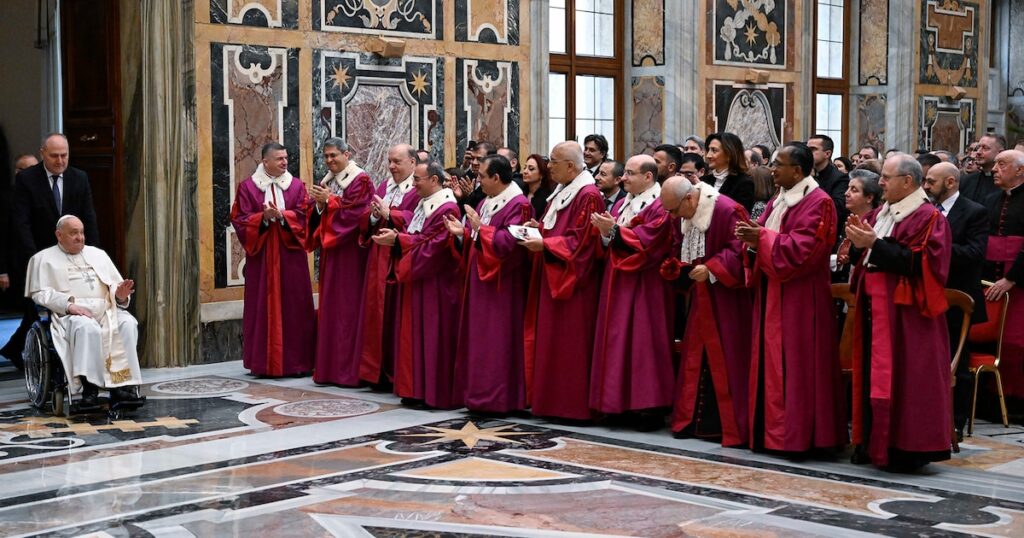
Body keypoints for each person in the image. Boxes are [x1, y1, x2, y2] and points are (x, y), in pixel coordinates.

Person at [735, 141, 845, 454]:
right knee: (771, 362)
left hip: (801, 298)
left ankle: (797, 437)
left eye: (777, 165)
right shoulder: (779, 200)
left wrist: (761, 238)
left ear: (796, 170)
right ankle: (771, 433)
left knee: (797, 366)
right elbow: (767, 236)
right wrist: (751, 241)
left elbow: (805, 251)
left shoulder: (819, 202)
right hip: (772, 291)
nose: (771, 170)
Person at [845, 153, 952, 469]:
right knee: (870, 376)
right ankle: (870, 443)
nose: (880, 183)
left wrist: (874, 245)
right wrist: (856, 244)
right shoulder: (881, 213)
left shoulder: (929, 218)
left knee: (906, 380)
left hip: (906, 316)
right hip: (874, 309)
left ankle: (904, 449)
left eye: (886, 178)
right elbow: (862, 256)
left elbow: (926, 265)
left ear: (907, 182)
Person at [661, 177, 752, 446]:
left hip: (727, 301)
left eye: (674, 210)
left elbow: (740, 251)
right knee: (696, 359)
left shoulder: (727, 210)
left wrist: (712, 268)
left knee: (725, 358)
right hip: (700, 301)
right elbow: (680, 246)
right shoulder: (682, 213)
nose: (672, 217)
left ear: (689, 199)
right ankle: (692, 421)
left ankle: (725, 425)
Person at [519, 140, 604, 421]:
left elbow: (582, 241)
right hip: (553, 272)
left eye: (553, 161)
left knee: (570, 344)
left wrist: (546, 244)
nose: (549, 166)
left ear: (570, 166)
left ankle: (570, 406)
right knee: (551, 342)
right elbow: (560, 228)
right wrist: (538, 229)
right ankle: (551, 402)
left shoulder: (588, 194)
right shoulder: (565, 189)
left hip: (573, 283)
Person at [588, 155, 675, 429]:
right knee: (617, 341)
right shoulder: (626, 202)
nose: (623, 178)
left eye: (629, 173)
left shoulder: (660, 206)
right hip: (618, 279)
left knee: (643, 344)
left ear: (648, 177)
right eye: (624, 173)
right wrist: (606, 232)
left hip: (645, 284)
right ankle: (617, 403)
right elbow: (611, 237)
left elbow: (650, 241)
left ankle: (647, 407)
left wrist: (613, 230)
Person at [3, 134, 101, 367]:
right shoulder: (27, 180)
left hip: (72, 258)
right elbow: (21, 224)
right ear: (42, 154)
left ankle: (17, 350)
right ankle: (32, 353)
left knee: (49, 310)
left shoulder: (79, 178)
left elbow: (89, 218)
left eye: (64, 155)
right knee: (38, 308)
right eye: (54, 156)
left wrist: (93, 255)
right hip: (36, 256)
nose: (60, 161)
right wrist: (35, 259)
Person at [25, 215, 143, 410]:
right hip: (70, 314)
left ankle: (122, 387)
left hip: (106, 309)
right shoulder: (43, 259)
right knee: (87, 327)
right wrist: (69, 306)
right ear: (59, 235)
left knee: (127, 323)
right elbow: (40, 294)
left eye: (81, 232)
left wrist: (120, 296)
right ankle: (90, 391)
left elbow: (113, 285)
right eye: (73, 233)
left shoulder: (98, 255)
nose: (80, 237)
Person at [371, 160, 462, 409]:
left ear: (434, 180)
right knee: (413, 336)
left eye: (418, 180)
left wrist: (398, 241)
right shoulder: (425, 204)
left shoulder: (447, 209)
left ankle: (432, 393)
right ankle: (414, 388)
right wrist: (398, 234)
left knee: (432, 338)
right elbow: (418, 230)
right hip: (419, 283)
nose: (413, 185)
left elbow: (435, 245)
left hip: (436, 286)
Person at [446, 155, 532, 413]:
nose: (478, 180)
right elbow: (477, 236)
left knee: (498, 341)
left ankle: (500, 398)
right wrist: (464, 234)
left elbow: (510, 244)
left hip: (502, 284)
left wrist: (479, 228)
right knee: (479, 339)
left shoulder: (519, 204)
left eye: (482, 176)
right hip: (479, 279)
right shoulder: (486, 201)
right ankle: (478, 395)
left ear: (497, 177)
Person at [231, 142, 314, 377]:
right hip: (263, 258)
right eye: (279, 159)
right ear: (265, 162)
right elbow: (240, 219)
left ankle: (298, 363)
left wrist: (284, 216)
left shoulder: (297, 186)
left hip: (291, 258)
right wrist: (263, 218)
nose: (285, 162)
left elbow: (305, 214)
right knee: (262, 306)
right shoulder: (248, 188)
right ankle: (263, 363)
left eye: (286, 158)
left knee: (295, 306)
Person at [924, 162, 989, 438]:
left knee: (956, 364)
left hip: (958, 298)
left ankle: (955, 422)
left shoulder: (974, 212)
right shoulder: (925, 211)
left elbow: (974, 253)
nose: (925, 186)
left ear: (950, 182)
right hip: (927, 295)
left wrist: (935, 248)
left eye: (931, 181)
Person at [306, 138, 374, 386]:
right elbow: (314, 212)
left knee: (347, 309)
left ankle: (348, 370)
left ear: (347, 154)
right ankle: (329, 368)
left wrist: (330, 202)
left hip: (351, 254)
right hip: (331, 253)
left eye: (334, 155)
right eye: (326, 156)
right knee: (331, 308)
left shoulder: (361, 180)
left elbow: (358, 215)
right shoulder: (328, 181)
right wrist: (320, 206)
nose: (329, 160)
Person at [357, 144, 421, 386]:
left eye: (397, 161)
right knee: (375, 314)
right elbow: (366, 217)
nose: (391, 166)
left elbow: (415, 218)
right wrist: (374, 215)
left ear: (413, 163)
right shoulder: (384, 186)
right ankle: (374, 371)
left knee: (394, 316)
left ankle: (394, 372)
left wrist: (389, 213)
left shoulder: (417, 189)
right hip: (378, 258)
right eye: (389, 161)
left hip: (399, 257)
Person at [982, 149, 1024, 400]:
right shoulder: (990, 200)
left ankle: (1017, 401)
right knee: (991, 337)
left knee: (1016, 342)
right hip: (990, 280)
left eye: (1002, 164)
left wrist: (1012, 278)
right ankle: (992, 401)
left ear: (1020, 170)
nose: (995, 169)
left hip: (1019, 281)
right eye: (995, 164)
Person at [807, 134, 850, 250]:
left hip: (826, 239)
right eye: (807, 149)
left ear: (827, 154)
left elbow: (837, 207)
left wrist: (812, 181)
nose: (808, 153)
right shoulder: (803, 175)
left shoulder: (840, 178)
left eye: (813, 149)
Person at [702, 133, 755, 212]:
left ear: (729, 154)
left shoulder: (744, 183)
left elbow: (739, 216)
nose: (708, 155)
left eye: (714, 150)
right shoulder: (703, 181)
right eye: (708, 150)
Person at [961, 134, 1005, 203]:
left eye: (985, 148)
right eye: (978, 147)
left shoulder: (1006, 183)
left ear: (1000, 153)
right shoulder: (966, 181)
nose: (978, 152)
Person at [523, 154, 554, 218]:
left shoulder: (548, 197)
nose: (525, 171)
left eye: (531, 169)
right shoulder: (520, 192)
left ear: (541, 174)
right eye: (524, 168)